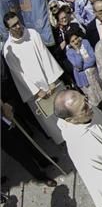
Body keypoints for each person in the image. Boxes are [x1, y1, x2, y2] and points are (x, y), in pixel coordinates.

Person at [2, 12, 64, 144]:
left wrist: (52, 80)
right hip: (36, 92)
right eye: (14, 25)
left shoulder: (32, 34)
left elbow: (44, 55)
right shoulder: (8, 49)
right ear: (8, 29)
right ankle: (63, 141)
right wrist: (36, 91)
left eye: (18, 22)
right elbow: (19, 75)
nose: (18, 26)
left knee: (64, 108)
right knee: (51, 120)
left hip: (50, 82)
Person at [1, 100, 57, 187]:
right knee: (21, 155)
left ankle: (43, 160)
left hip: (6, 117)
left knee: (27, 141)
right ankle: (40, 176)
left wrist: (4, 106)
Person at [65, 29, 102, 108]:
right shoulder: (69, 52)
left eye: (76, 38)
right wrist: (77, 51)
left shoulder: (85, 42)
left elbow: (93, 58)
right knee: (91, 93)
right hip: (83, 77)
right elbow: (78, 65)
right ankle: (98, 107)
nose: (76, 42)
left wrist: (83, 66)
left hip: (93, 72)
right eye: (72, 41)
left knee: (100, 87)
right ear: (69, 43)